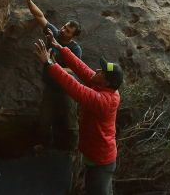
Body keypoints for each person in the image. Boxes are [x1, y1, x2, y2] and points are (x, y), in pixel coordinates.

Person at [32, 33, 123, 195]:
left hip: (101, 161)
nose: (97, 70)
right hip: (95, 156)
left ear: (107, 82)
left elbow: (75, 87)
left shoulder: (104, 101)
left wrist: (49, 63)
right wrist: (62, 49)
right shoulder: (104, 87)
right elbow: (82, 69)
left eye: (102, 71)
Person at [26, 0, 83, 151]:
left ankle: (72, 151)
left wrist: (52, 63)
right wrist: (29, 1)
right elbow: (40, 16)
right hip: (50, 88)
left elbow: (75, 69)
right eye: (64, 27)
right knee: (44, 120)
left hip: (67, 90)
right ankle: (45, 146)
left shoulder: (75, 49)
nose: (63, 30)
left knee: (70, 123)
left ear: (73, 36)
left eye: (68, 30)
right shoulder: (55, 34)